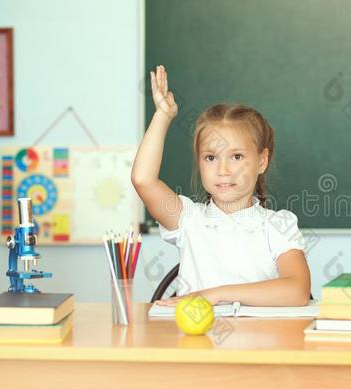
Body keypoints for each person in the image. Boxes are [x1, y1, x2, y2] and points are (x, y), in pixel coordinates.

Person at [132, 66, 311, 307]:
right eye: (210, 158)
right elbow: (143, 180)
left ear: (261, 161)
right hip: (198, 343)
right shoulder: (188, 219)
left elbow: (298, 290)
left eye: (236, 156)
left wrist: (215, 294)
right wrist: (163, 115)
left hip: (262, 342)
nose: (223, 170)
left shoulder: (277, 225)